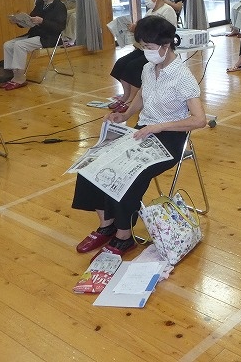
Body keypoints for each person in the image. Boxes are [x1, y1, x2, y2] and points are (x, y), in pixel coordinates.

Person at [72, 15, 206, 256]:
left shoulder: (182, 76)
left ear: (166, 45)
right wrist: (125, 114)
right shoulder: (148, 68)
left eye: (149, 47)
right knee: (91, 164)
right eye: (143, 46)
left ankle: (124, 235)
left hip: (169, 138)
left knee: (129, 174)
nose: (146, 52)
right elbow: (143, 95)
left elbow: (199, 120)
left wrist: (160, 126)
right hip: (143, 131)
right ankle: (106, 225)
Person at [109, 0, 178, 111]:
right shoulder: (150, 12)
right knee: (120, 63)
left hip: (158, 49)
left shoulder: (167, 10)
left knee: (133, 67)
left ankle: (132, 100)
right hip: (144, 48)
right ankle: (125, 96)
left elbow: (167, 32)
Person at [2, 0, 67, 89]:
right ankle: (14, 75)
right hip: (35, 34)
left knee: (19, 45)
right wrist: (18, 22)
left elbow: (59, 27)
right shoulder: (40, 4)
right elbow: (30, 20)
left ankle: (20, 78)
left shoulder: (59, 6)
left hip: (49, 37)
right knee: (8, 45)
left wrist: (42, 21)